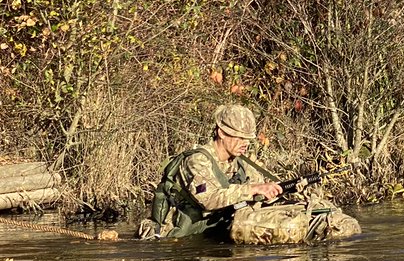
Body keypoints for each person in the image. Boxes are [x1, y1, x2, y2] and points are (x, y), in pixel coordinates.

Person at [139, 104, 360, 243]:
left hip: (215, 232)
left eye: (248, 139)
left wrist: (274, 191)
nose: (245, 144)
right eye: (239, 137)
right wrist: (254, 189)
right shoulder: (197, 160)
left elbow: (257, 191)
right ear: (221, 132)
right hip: (175, 236)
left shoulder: (241, 162)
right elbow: (211, 199)